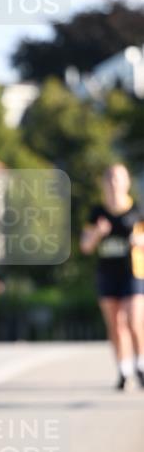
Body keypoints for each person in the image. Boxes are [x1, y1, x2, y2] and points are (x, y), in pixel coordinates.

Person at [80, 163, 144, 389]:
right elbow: (85, 246)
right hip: (107, 274)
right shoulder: (97, 213)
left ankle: (141, 364)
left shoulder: (137, 211)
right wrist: (98, 233)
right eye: (109, 178)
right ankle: (124, 370)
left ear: (127, 182)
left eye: (118, 178)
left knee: (134, 320)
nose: (114, 183)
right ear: (104, 184)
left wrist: (140, 242)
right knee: (116, 325)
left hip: (134, 273)